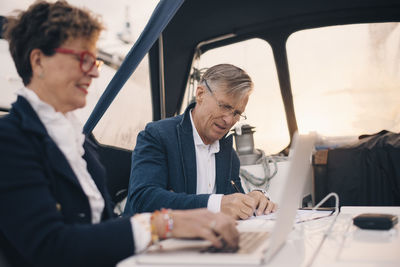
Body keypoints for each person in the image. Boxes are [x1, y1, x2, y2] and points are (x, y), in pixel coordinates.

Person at [0, 1, 238, 267]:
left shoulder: (80, 142)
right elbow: (49, 247)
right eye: (83, 60)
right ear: (38, 61)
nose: (93, 72)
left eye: (96, 61)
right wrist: (163, 225)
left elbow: (102, 228)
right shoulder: (9, 140)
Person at [125, 64, 276, 220]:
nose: (229, 120)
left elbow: (233, 204)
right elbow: (143, 199)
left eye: (237, 113)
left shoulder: (229, 155)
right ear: (200, 94)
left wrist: (254, 199)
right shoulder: (157, 135)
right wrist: (216, 204)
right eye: (224, 106)